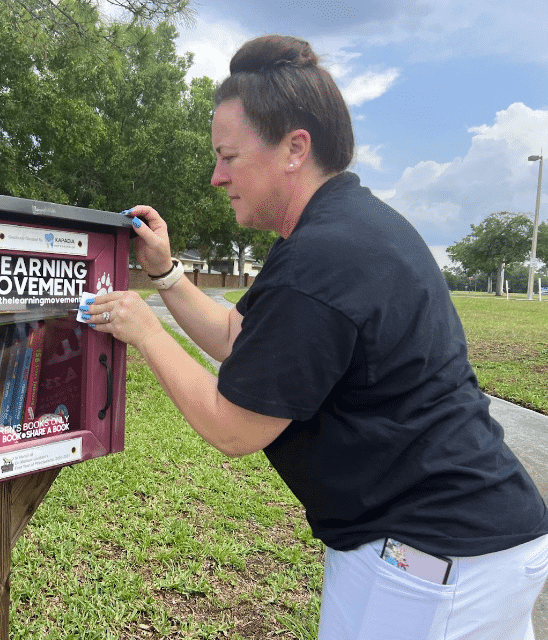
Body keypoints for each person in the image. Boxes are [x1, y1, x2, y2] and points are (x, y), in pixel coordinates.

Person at [83, 34, 548, 639]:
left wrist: (144, 329)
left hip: (430, 557)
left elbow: (234, 426)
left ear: (294, 148)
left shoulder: (321, 257)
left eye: (228, 156)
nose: (217, 177)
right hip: (472, 540)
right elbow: (237, 335)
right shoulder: (344, 226)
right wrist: (167, 274)